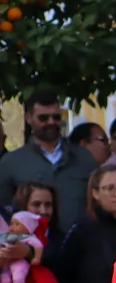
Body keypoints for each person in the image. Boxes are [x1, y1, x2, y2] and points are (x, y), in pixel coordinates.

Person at [0, 90, 97, 232]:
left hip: (79, 246)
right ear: (28, 118)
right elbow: (3, 212)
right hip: (30, 248)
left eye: (56, 117)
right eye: (43, 118)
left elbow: (96, 203)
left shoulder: (83, 158)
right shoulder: (11, 163)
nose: (51, 122)